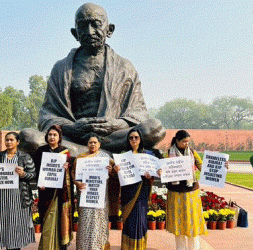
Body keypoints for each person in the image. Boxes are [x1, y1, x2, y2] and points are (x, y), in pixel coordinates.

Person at [20, 2, 165, 156]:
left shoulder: (125, 67)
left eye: (96, 25)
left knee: (154, 128)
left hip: (112, 136)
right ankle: (100, 154)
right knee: (28, 137)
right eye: (83, 26)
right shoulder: (61, 68)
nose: (89, 32)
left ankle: (81, 154)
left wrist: (118, 124)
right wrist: (71, 128)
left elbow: (139, 112)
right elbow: (47, 115)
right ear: (75, 33)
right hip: (72, 137)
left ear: (109, 30)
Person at [0, 132, 36, 250]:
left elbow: (33, 175)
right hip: (1, 198)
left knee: (16, 225)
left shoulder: (25, 157)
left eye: (11, 140)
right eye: (7, 140)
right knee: (2, 225)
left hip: (19, 198)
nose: (8, 142)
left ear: (17, 142)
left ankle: (15, 247)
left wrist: (24, 174)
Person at [114, 128, 163, 250]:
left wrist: (150, 175)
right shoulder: (123, 155)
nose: (134, 140)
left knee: (140, 219)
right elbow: (118, 176)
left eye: (136, 137)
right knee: (129, 220)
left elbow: (153, 174)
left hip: (141, 191)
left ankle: (139, 247)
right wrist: (116, 170)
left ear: (140, 139)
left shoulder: (148, 155)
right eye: (131, 137)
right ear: (128, 140)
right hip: (128, 192)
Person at [158, 130, 207, 250]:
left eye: (188, 142)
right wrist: (160, 172)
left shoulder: (192, 152)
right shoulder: (169, 154)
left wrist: (221, 168)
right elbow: (162, 169)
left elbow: (202, 166)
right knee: (178, 223)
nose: (186, 144)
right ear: (177, 141)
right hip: (175, 193)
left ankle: (194, 248)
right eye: (184, 141)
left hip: (191, 192)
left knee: (193, 222)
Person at [32, 125, 73, 250]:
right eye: (50, 135)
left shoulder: (65, 152)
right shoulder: (41, 151)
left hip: (61, 193)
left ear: (59, 137)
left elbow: (71, 171)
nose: (52, 137)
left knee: (61, 219)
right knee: (47, 220)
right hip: (45, 192)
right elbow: (36, 170)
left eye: (55, 135)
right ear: (46, 136)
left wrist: (68, 167)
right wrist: (39, 183)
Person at [74, 134, 114, 250]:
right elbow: (73, 176)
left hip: (99, 195)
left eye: (95, 142)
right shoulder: (81, 158)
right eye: (90, 142)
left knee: (99, 220)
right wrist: (77, 183)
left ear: (99, 145)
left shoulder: (105, 158)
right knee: (85, 221)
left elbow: (113, 175)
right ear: (87, 144)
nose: (92, 144)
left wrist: (111, 171)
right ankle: (83, 246)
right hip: (85, 194)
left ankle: (98, 246)